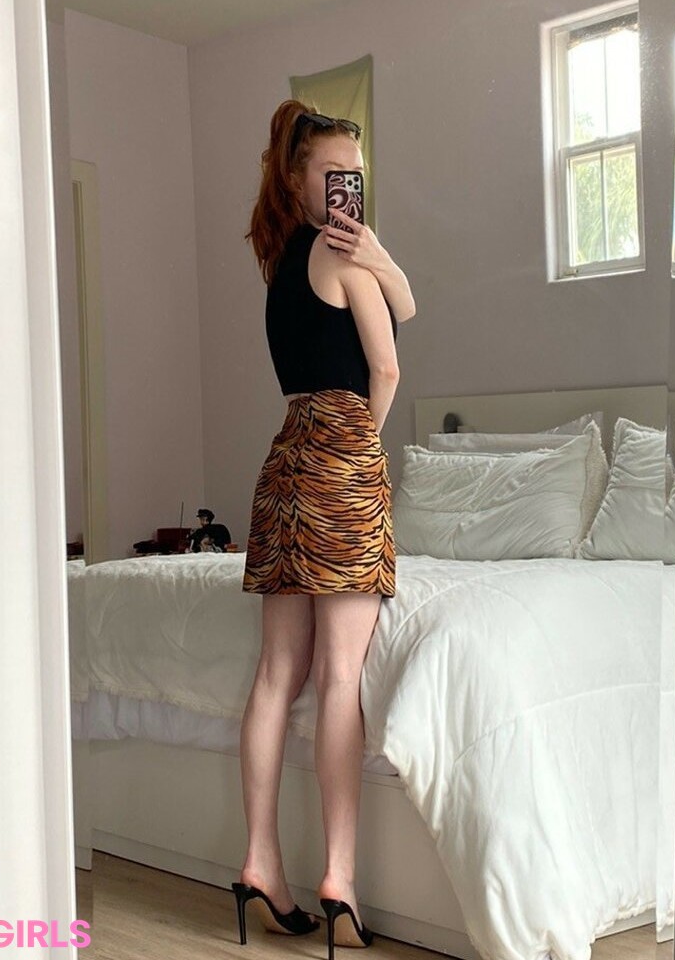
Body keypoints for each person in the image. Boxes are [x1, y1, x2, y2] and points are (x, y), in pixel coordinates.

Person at [230, 100, 415, 954]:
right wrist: (362, 451)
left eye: (356, 175)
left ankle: (259, 860)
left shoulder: (279, 262)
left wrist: (374, 251)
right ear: (299, 178)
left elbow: (404, 300)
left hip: (283, 459)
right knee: (340, 677)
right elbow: (388, 363)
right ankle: (339, 874)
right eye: (334, 173)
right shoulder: (342, 257)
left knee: (277, 673)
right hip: (340, 449)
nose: (348, 186)